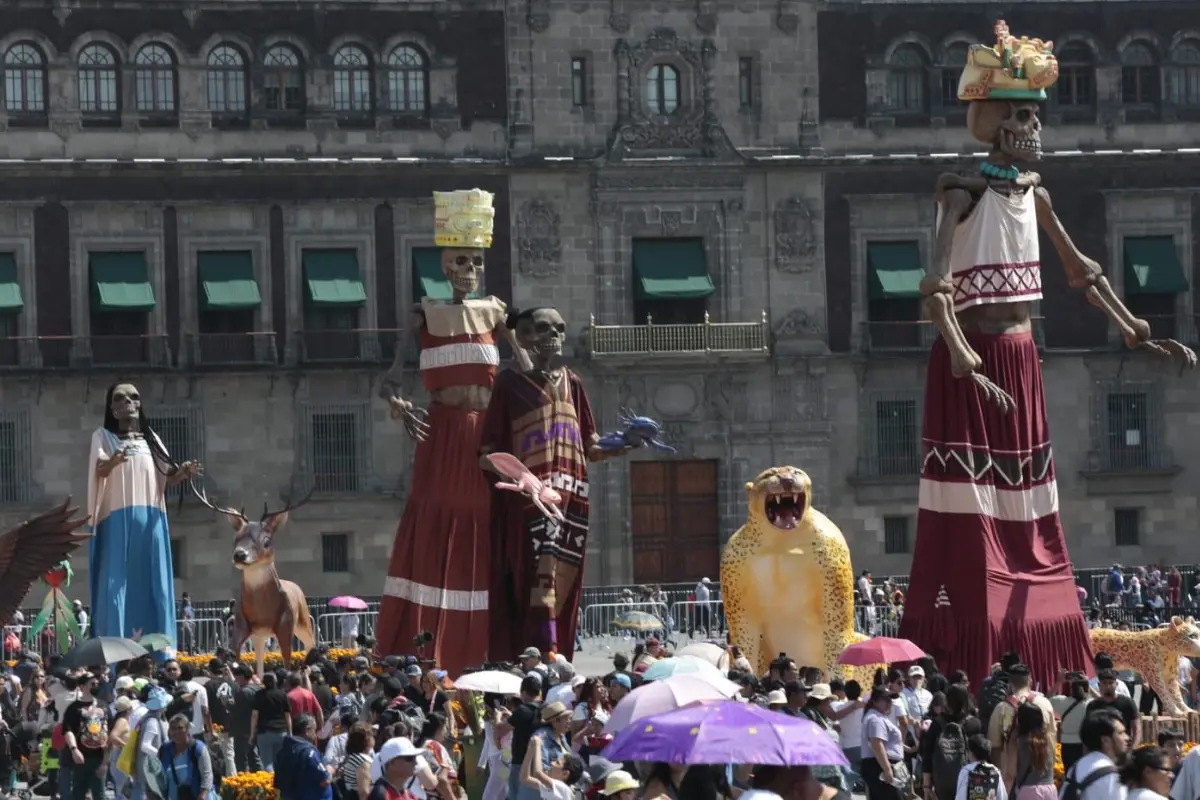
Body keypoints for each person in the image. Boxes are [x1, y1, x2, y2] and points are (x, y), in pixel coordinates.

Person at [897, 20, 1195, 685]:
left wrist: (1133, 327)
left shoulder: (1038, 194)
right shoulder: (961, 189)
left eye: (1036, 115)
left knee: (1030, 500)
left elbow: (1082, 271)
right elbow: (935, 288)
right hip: (972, 358)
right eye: (1020, 114)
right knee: (973, 503)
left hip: (1022, 356)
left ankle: (1038, 625)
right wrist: (963, 359)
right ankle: (974, 632)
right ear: (994, 122)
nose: (1033, 127)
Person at [374, 189, 531, 675]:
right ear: (445, 266)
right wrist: (399, 406)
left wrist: (513, 342)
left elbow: (526, 372)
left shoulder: (495, 314)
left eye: (477, 261)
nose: (471, 269)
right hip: (441, 435)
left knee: (488, 527)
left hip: (485, 437)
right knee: (437, 526)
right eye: (462, 260)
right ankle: (426, 647)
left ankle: (490, 642)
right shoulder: (424, 316)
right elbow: (388, 382)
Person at [481, 307, 631, 659]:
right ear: (521, 336)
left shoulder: (573, 383)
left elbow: (591, 446)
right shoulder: (508, 384)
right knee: (534, 580)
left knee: (563, 581)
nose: (553, 336)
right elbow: (485, 453)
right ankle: (536, 653)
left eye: (560, 329)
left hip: (573, 500)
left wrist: (626, 443)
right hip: (529, 503)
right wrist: (521, 478)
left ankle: (557, 651)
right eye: (542, 328)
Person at [87, 382, 200, 648]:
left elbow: (168, 474)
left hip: (152, 522)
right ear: (112, 408)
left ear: (139, 405)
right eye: (120, 398)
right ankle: (114, 654)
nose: (129, 402)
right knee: (115, 587)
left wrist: (183, 472)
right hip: (116, 523)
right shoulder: (103, 436)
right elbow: (99, 467)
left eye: (134, 397)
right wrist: (113, 461)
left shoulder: (152, 439)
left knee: (158, 584)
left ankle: (162, 651)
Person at [1059, 708, 1128, 800]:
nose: (1127, 737)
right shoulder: (1110, 776)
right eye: (1121, 733)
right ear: (1105, 740)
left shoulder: (1076, 767)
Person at [62, 670, 108, 800]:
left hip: (99, 758)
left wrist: (105, 762)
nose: (95, 686)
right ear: (82, 687)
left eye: (97, 683)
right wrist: (74, 749)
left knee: (100, 794)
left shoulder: (103, 706)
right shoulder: (73, 708)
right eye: (92, 684)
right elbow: (67, 730)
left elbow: (108, 732)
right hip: (80, 758)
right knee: (78, 793)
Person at [518, 702, 572, 800]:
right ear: (555, 722)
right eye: (566, 718)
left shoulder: (561, 735)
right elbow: (541, 772)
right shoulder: (541, 736)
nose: (569, 721)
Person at [1002, 703, 1055, 799]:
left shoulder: (1017, 740)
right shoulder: (1047, 739)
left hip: (1028, 791)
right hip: (1050, 789)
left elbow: (1011, 773)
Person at [861, 686, 906, 800]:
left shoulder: (877, 717)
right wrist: (887, 769)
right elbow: (876, 744)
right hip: (879, 766)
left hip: (879, 764)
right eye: (885, 700)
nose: (889, 703)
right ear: (875, 701)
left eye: (890, 700)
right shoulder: (875, 719)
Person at [158, 713, 215, 800]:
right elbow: (159, 776)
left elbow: (207, 775)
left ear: (187, 729)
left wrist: (203, 794)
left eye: (180, 728)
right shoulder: (164, 750)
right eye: (173, 728)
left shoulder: (198, 748)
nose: (176, 732)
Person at [274, 714, 331, 800]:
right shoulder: (308, 752)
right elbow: (325, 780)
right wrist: (330, 769)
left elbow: (278, 783)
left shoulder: (283, 751)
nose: (315, 735)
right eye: (314, 731)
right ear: (307, 730)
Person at [251, 672, 292, 771]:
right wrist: (290, 732)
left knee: (267, 762)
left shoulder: (259, 695)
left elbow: (254, 716)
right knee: (279, 761)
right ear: (275, 681)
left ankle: (269, 783)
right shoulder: (282, 694)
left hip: (264, 732)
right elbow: (287, 716)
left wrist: (252, 734)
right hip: (281, 731)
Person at [1051, 674, 1091, 772]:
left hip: (1067, 744)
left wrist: (1058, 682)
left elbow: (1047, 698)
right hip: (1084, 744)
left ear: (1071, 689)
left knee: (1069, 773)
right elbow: (1104, 702)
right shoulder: (1090, 704)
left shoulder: (1061, 701)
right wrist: (1088, 685)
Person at [1089, 670, 1140, 747]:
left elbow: (1136, 729)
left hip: (1122, 748)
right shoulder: (1093, 706)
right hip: (1102, 750)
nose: (1108, 686)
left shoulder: (1127, 703)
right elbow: (1088, 731)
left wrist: (1133, 748)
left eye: (1110, 683)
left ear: (1116, 684)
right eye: (1104, 683)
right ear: (1099, 685)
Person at [955, 734, 1005, 800]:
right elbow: (1002, 797)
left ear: (971, 753)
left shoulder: (966, 771)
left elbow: (960, 797)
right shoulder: (995, 771)